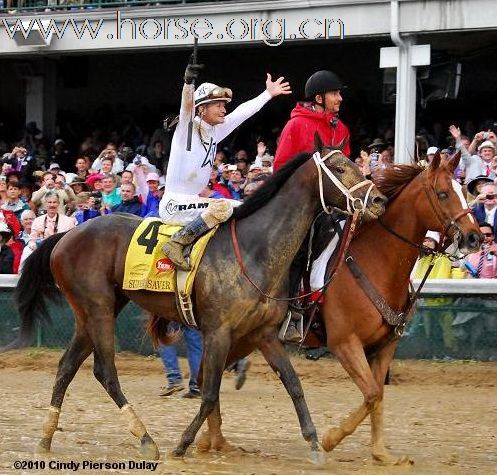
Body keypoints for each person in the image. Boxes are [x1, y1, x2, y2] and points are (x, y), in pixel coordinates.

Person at [159, 56, 291, 270]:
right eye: (218, 105)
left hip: (191, 202)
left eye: (223, 105)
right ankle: (176, 243)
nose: (224, 109)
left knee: (244, 207)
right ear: (202, 108)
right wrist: (188, 83)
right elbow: (186, 107)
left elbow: (242, 112)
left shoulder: (215, 130)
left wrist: (268, 94)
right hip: (174, 205)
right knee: (222, 206)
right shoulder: (188, 128)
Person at [274, 69, 350, 171]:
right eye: (334, 94)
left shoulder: (341, 128)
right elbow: (280, 167)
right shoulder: (295, 125)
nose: (340, 98)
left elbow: (345, 167)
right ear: (319, 98)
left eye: (339, 93)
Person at [158, 323, 203, 399]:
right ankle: (197, 386)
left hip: (171, 313)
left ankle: (174, 379)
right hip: (190, 313)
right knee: (195, 344)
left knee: (163, 335)